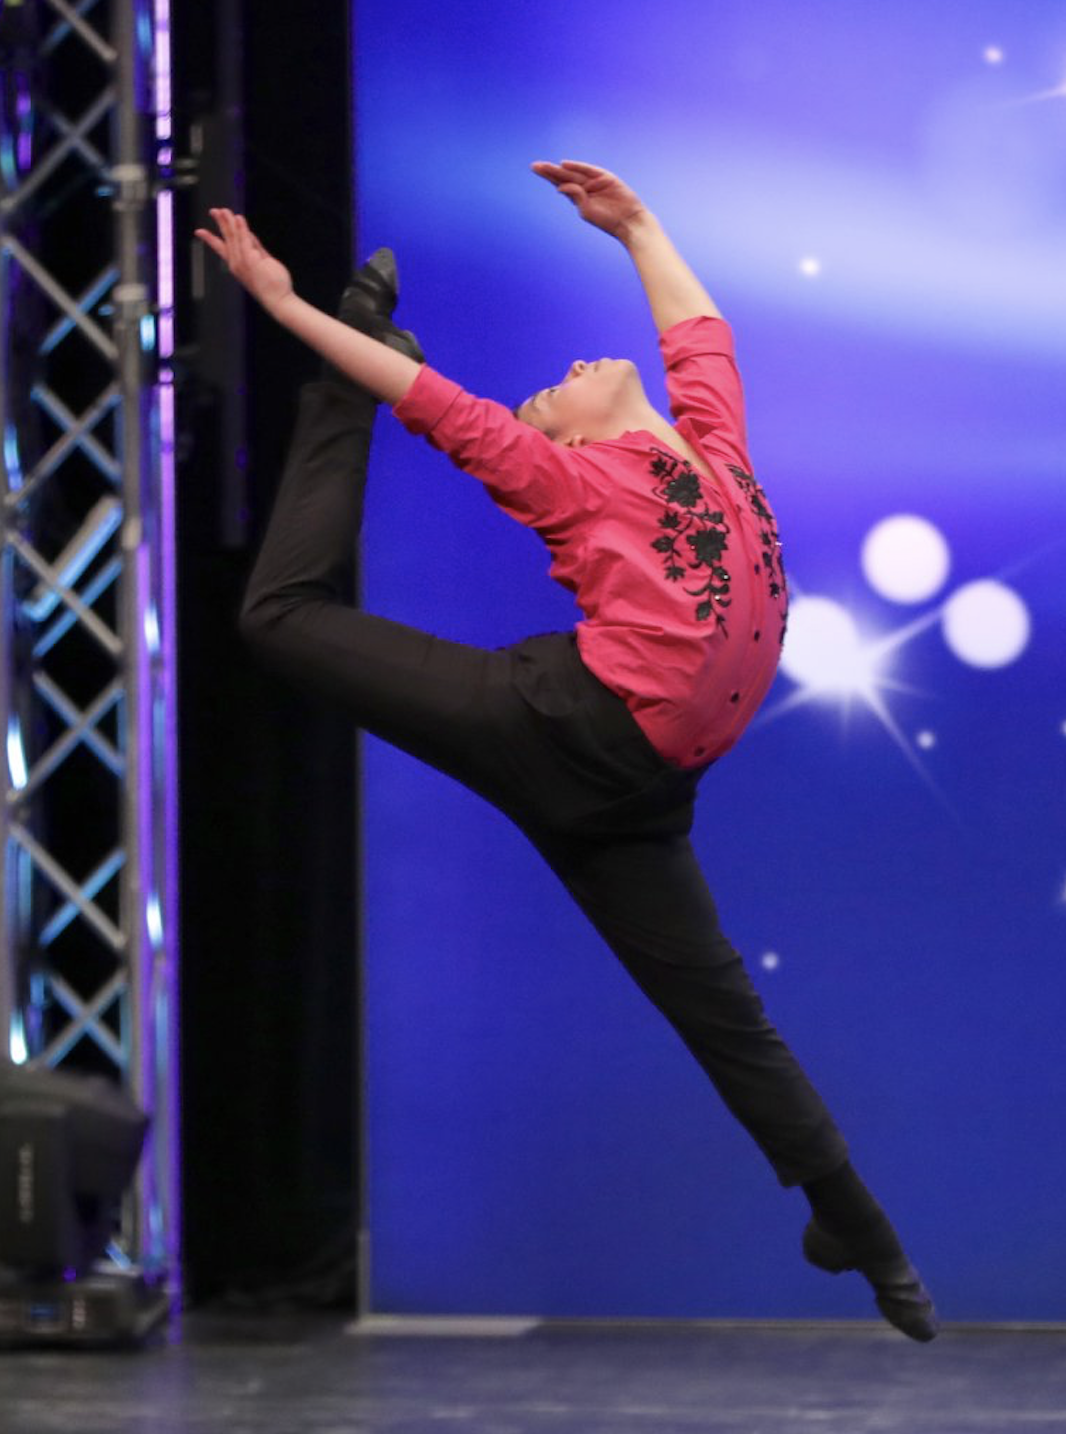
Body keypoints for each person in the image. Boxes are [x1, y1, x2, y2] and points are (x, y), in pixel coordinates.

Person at [195, 160, 938, 1341]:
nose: (566, 372)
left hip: (643, 792)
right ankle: (331, 394)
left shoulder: (716, 454)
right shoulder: (572, 479)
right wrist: (294, 314)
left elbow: (697, 333)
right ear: (566, 438)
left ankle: (855, 1223)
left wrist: (637, 225)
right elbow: (440, 405)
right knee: (278, 618)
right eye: (549, 392)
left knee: (720, 1010)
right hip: (558, 728)